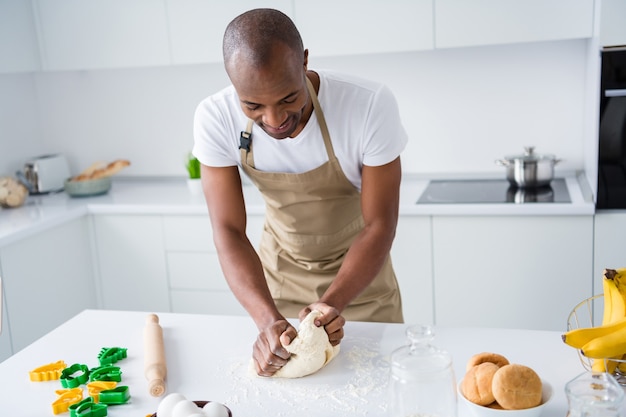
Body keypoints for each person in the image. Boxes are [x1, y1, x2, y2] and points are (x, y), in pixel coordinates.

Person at [192, 8, 408, 377]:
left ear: (304, 61)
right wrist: (266, 320)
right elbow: (227, 230)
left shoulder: (367, 104)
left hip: (362, 287)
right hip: (278, 282)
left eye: (289, 98)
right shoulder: (215, 117)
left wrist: (332, 303)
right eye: (253, 106)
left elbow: (379, 224)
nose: (274, 120)